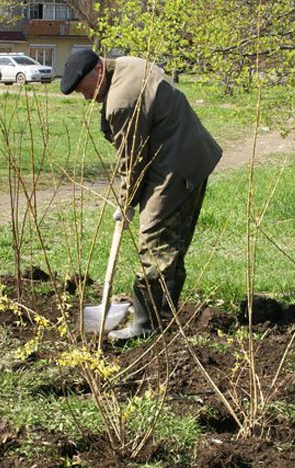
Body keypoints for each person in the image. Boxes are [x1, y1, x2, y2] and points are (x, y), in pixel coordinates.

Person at [61, 50, 222, 341]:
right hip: (188, 155)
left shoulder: (121, 101)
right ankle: (162, 315)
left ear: (99, 69)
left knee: (153, 242)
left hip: (175, 166)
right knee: (169, 244)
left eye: (86, 89)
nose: (87, 98)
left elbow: (132, 161)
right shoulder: (127, 65)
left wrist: (126, 203)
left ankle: (145, 325)